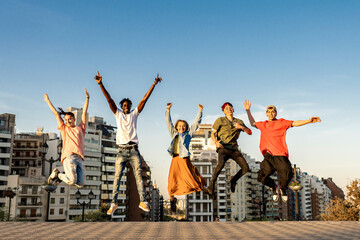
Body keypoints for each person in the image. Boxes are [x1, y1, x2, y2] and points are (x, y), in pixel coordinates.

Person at [95, 71, 162, 214]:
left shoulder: (134, 114)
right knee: (117, 177)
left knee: (138, 176)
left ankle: (143, 201)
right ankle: (113, 203)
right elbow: (109, 100)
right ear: (121, 106)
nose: (126, 106)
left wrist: (154, 84)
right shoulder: (117, 114)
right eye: (124, 104)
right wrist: (101, 84)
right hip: (121, 151)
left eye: (128, 104)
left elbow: (144, 99)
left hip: (133, 150)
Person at [244, 100, 321, 202]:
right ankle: (274, 187)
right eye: (269, 112)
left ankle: (283, 189)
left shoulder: (281, 122)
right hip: (268, 156)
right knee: (261, 177)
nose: (271, 114)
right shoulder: (263, 125)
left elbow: (294, 123)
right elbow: (252, 123)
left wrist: (308, 121)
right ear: (266, 114)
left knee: (287, 173)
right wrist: (248, 110)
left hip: (280, 154)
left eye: (273, 112)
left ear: (275, 113)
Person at [165, 103, 208, 212]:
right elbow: (168, 123)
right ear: (176, 127)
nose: (181, 127)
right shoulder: (173, 134)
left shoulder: (188, 135)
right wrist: (168, 110)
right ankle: (171, 199)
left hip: (184, 159)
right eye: (179, 126)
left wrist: (200, 112)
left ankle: (204, 188)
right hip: (175, 159)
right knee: (171, 182)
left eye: (183, 126)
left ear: (186, 127)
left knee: (191, 178)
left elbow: (195, 124)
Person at [44, 88, 89, 188]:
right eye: (66, 120)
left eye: (69, 119)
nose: (67, 121)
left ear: (74, 119)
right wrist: (48, 101)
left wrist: (87, 98)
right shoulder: (64, 129)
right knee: (72, 181)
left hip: (80, 158)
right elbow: (56, 114)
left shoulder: (80, 128)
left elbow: (84, 114)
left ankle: (61, 174)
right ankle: (59, 175)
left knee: (80, 183)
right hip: (69, 156)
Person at [209, 102, 252, 199]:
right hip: (223, 147)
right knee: (220, 165)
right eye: (226, 108)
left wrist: (241, 127)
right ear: (224, 111)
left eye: (230, 107)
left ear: (233, 109)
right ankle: (212, 184)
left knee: (245, 168)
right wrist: (216, 142)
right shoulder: (220, 120)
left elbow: (250, 132)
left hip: (233, 148)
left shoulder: (238, 121)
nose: (229, 109)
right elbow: (212, 134)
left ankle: (233, 180)